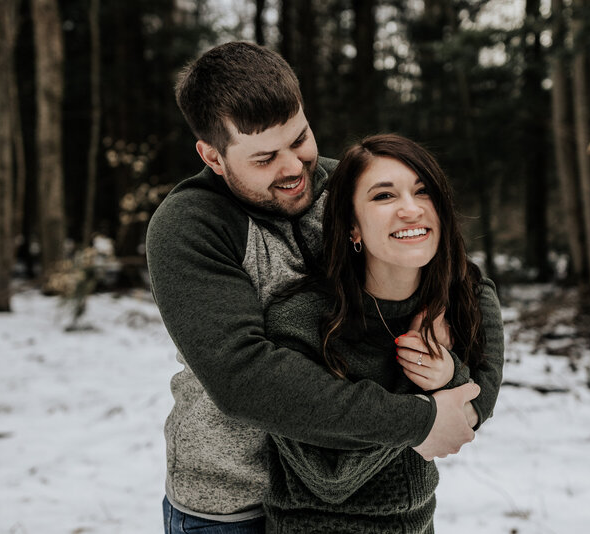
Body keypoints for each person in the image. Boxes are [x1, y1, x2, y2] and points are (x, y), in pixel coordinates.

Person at [146, 41, 504, 534]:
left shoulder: (344, 186)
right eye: (265, 157)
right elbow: (243, 376)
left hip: (344, 504)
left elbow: (466, 279)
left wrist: (468, 406)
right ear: (212, 156)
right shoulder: (191, 225)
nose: (293, 167)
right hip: (232, 504)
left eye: (300, 138)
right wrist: (416, 421)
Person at [263, 134, 500, 533]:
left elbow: (475, 410)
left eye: (422, 191)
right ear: (353, 226)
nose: (410, 209)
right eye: (384, 196)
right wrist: (420, 384)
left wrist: (448, 374)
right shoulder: (299, 319)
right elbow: (329, 478)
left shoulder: (466, 295)